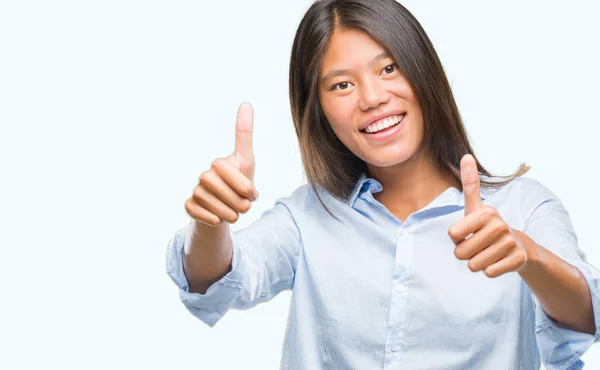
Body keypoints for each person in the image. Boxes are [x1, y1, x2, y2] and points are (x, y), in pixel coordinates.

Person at [166, 0, 600, 369]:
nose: (371, 98)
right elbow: (219, 281)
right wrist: (210, 223)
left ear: (423, 72)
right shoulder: (307, 216)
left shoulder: (525, 207)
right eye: (341, 84)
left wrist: (528, 256)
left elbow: (585, 319)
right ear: (319, 110)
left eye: (389, 68)